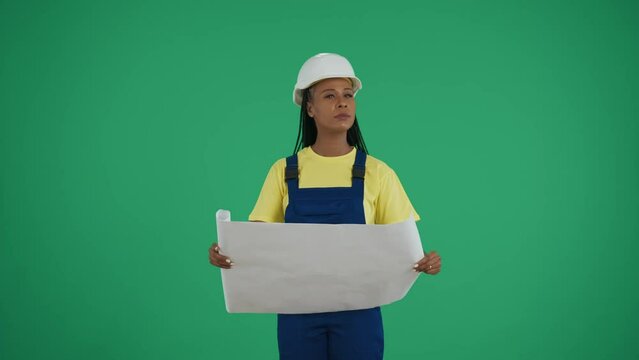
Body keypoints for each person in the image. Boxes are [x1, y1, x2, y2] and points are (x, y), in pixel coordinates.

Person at [209, 53, 442, 360]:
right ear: (310, 108)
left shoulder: (377, 173)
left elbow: (402, 244)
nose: (342, 103)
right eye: (329, 96)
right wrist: (229, 252)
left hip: (359, 311)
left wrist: (424, 262)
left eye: (347, 95)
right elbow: (260, 242)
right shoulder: (284, 171)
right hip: (297, 312)